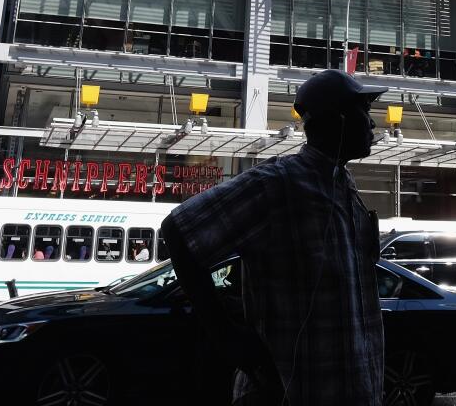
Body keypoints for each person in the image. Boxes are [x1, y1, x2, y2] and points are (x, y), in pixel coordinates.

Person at [161, 69, 387, 406]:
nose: (372, 124)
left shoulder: (346, 187)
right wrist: (226, 336)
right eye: (364, 112)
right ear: (338, 119)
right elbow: (178, 230)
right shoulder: (278, 183)